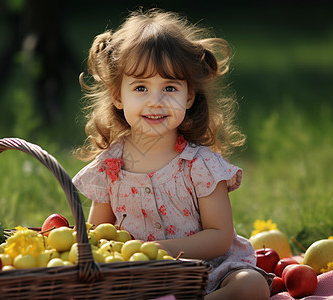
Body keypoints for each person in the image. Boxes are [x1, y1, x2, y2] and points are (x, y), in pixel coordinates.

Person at [72, 8, 273, 299]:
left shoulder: (200, 165)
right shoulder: (109, 165)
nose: (156, 102)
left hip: (207, 273)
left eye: (169, 87)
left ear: (189, 96)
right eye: (140, 87)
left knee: (251, 286)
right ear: (117, 95)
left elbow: (219, 237)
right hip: (140, 277)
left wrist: (159, 251)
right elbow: (98, 232)